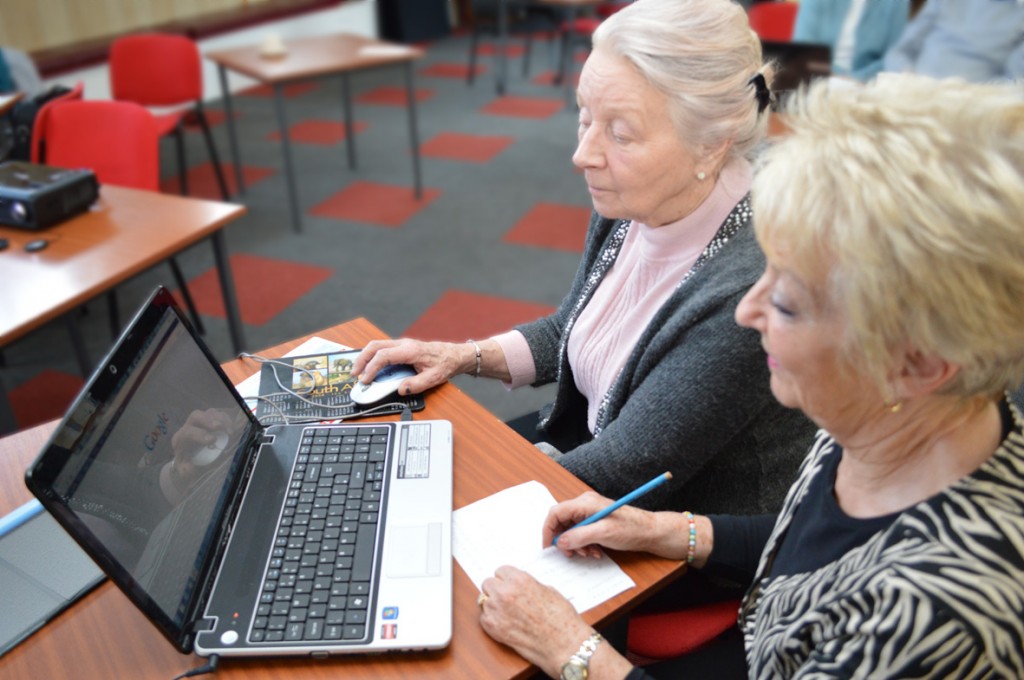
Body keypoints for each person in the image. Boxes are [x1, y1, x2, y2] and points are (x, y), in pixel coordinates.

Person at [475, 73, 1024, 679]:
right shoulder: (903, 419)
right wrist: (671, 531)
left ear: (915, 364)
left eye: (788, 302)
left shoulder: (932, 620)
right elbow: (821, 537)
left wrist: (574, 653)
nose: (746, 310)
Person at [353, 0, 815, 515]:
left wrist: (429, 504)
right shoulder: (638, 195)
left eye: (620, 133)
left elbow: (624, 469)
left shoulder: (746, 289)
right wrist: (462, 355)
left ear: (711, 146)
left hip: (673, 518)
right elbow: (573, 329)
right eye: (585, 116)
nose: (583, 154)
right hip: (590, 447)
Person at [883, 0, 1024, 81]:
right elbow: (900, 51)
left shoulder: (1019, 19)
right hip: (912, 88)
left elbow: (1012, 84)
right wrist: (906, 74)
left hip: (966, 109)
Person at [791, 0, 909, 81]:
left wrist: (855, 80)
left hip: (868, 86)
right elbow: (803, 49)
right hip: (816, 80)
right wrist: (829, 78)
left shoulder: (896, 3)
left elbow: (893, 58)